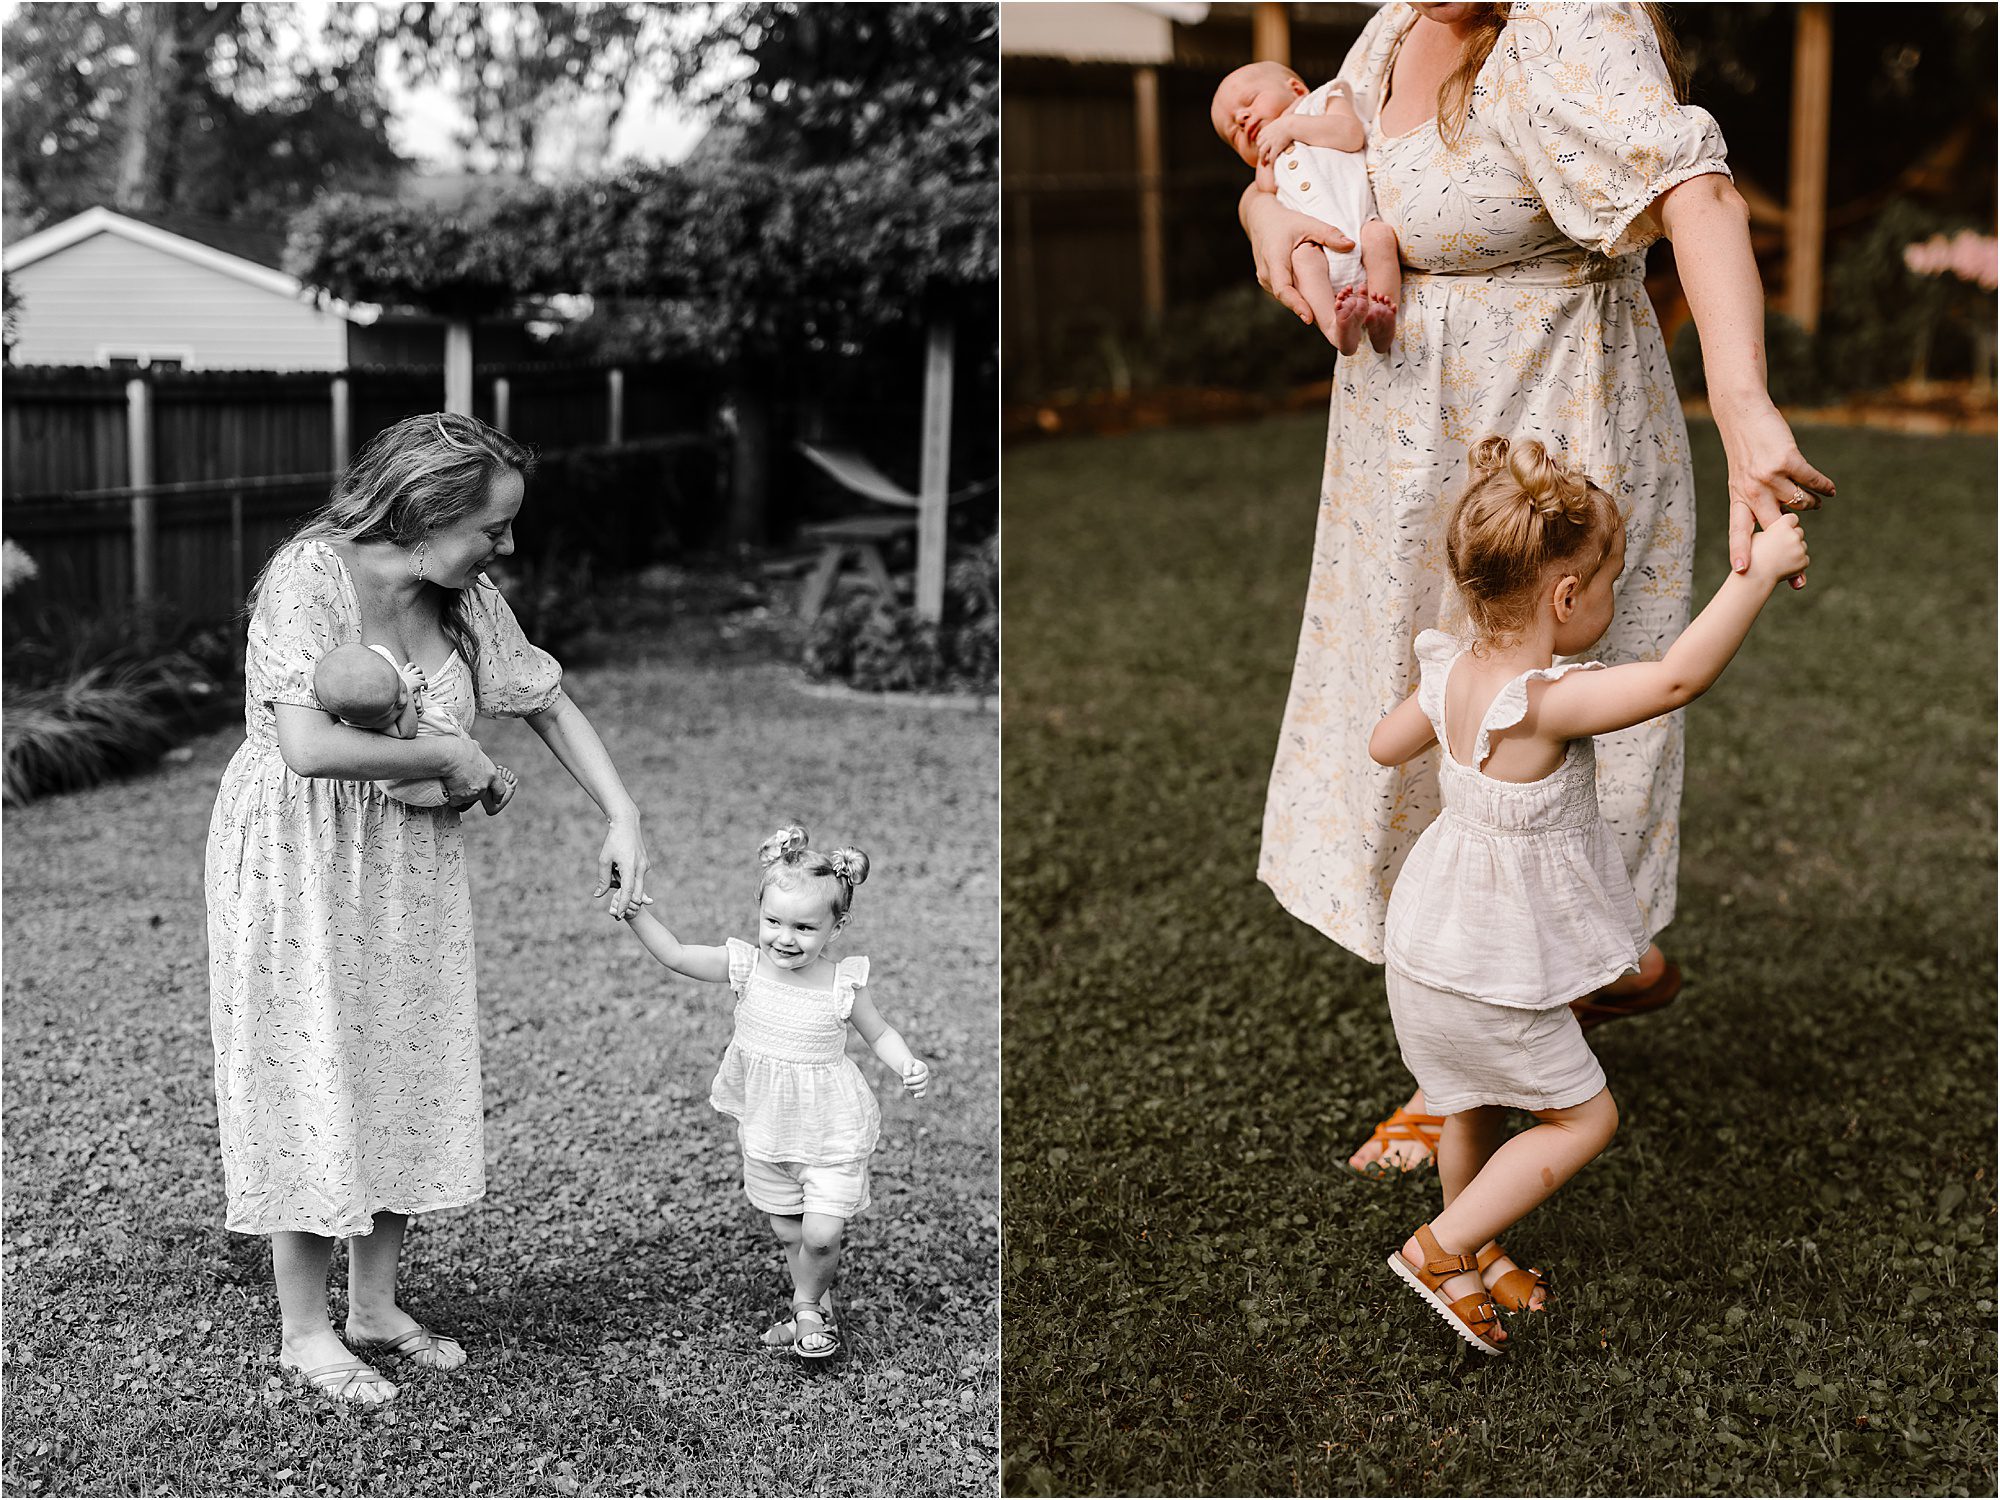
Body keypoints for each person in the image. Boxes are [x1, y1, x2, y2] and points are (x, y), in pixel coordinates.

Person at [1237, 2, 1838, 1177]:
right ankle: (1539, 990)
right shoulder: (1388, 29)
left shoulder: (1565, 23)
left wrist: (1746, 409)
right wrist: (1266, 213)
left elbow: (1694, 191)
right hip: (1401, 441)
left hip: (1544, 417)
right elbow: (1319, 159)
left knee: (1545, 732)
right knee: (1428, 724)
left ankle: (1500, 1030)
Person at [205, 412, 653, 1406]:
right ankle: (305, 1328)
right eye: (490, 528)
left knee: (401, 1060)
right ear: (423, 514)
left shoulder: (466, 599)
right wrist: (450, 754)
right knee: (312, 1062)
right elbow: (308, 749)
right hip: (298, 851)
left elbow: (540, 698)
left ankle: (373, 1307)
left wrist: (620, 811)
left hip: (405, 858)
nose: (504, 546)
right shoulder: (308, 579)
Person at [1370, 435, 1809, 1353]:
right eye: (1608, 580)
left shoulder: (1449, 667)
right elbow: (1680, 677)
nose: (1610, 598)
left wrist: (1434, 699)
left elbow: (1384, 744)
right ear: (1567, 597)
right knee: (1586, 1116)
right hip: (1490, 962)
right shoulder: (1546, 700)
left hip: (1428, 946)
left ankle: (1479, 1248)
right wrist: (1758, 572)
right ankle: (1442, 1248)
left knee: (1470, 1102)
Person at [616, 825, 931, 1360]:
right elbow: (674, 954)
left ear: (836, 927)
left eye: (805, 927)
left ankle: (806, 1308)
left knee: (822, 1235)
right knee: (790, 1234)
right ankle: (813, 1313)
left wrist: (906, 1063)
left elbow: (878, 1032)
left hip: (830, 1130)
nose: (785, 937)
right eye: (773, 921)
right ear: (759, 911)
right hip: (767, 1129)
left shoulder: (842, 983)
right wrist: (633, 908)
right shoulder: (746, 967)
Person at [1210, 61, 1401, 354]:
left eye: (1249, 102)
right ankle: (1335, 329)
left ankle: (1381, 317)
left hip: (1361, 228)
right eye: (1233, 131)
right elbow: (1265, 195)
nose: (1241, 118)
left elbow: (1350, 135)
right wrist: (1261, 159)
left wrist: (1288, 126)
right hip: (1318, 252)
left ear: (1296, 89)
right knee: (1302, 257)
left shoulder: (1322, 101)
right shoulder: (1267, 157)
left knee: (1381, 238)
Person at [312, 641, 518, 814]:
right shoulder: (362, 720)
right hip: (412, 782)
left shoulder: (378, 669)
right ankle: (486, 802)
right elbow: (408, 732)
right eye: (391, 709)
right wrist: (409, 695)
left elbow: (404, 674)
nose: (400, 702)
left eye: (399, 690)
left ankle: (487, 795)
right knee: (454, 784)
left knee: (474, 759)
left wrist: (406, 678)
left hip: (441, 740)